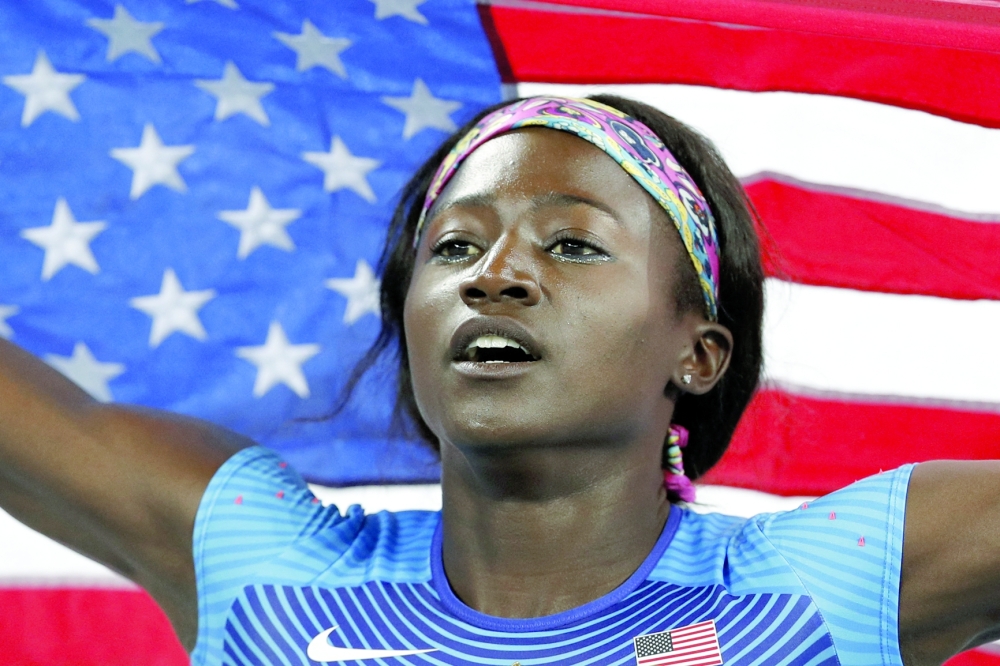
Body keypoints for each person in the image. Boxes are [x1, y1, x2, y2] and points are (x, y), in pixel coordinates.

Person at [0, 94, 996, 666]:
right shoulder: (265, 572)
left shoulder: (825, 588)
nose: (496, 275)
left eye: (571, 243)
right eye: (454, 249)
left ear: (697, 352)